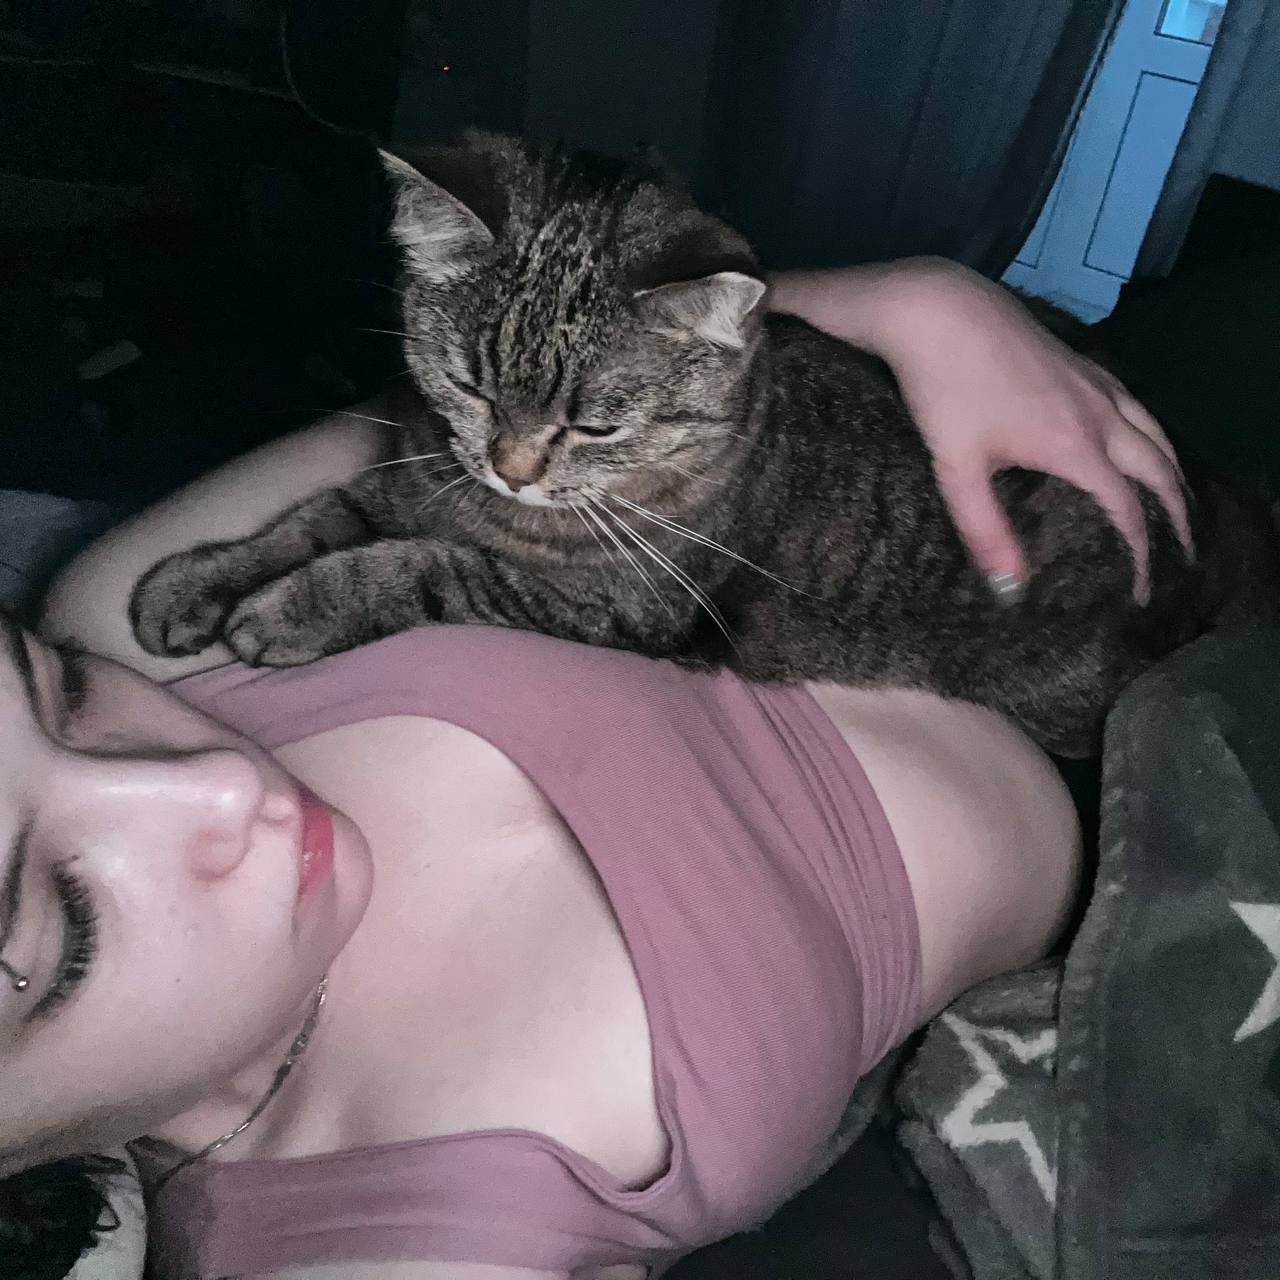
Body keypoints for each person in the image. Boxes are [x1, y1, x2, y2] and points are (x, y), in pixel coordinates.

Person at [0, 259, 1186, 1280]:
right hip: (1157, 827)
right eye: (69, 922)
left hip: (975, 524)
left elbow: (494, 418)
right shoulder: (397, 1239)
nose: (218, 785)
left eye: (65, 697)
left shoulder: (127, 612)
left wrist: (895, 301)